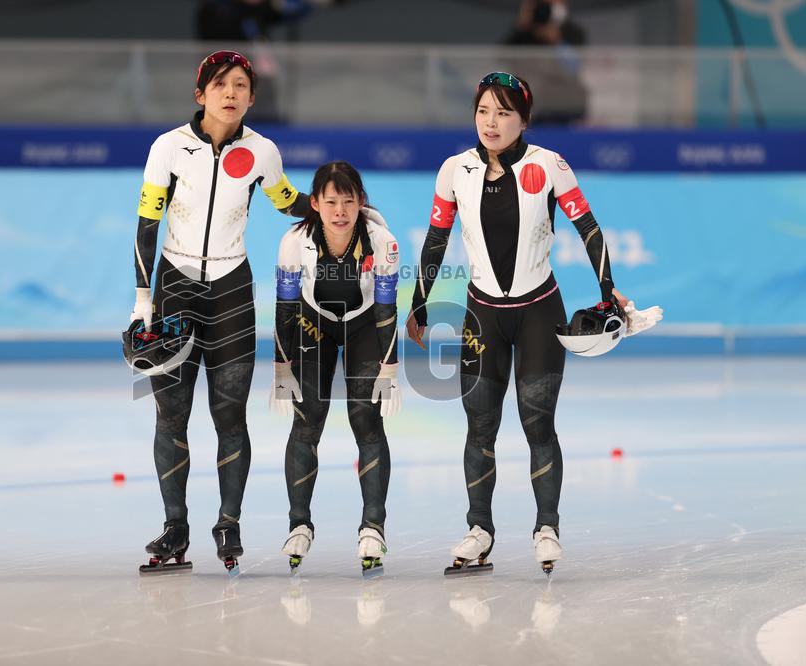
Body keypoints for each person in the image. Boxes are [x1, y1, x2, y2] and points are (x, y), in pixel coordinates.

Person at [407, 72, 659, 577]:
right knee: (480, 427)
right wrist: (419, 302)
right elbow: (437, 240)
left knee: (537, 424)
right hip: (482, 315)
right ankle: (479, 530)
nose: (491, 122)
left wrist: (609, 287)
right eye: (483, 111)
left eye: (503, 112)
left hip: (539, 312)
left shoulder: (548, 166)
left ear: (524, 119)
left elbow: (587, 227)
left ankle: (547, 527)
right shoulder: (453, 170)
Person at [129, 50, 310, 576]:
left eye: (240, 86)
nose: (230, 93)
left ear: (253, 98)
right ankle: (175, 526)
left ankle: (228, 522)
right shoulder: (168, 148)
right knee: (172, 415)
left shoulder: (262, 152)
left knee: (230, 417)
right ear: (199, 93)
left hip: (231, 290)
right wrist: (144, 302)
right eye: (220, 84)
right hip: (174, 290)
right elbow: (146, 227)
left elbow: (286, 201)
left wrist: (333, 201)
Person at [270, 161, 401, 577]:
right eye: (331, 202)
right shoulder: (294, 241)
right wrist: (281, 365)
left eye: (348, 202)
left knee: (367, 421)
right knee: (307, 423)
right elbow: (286, 307)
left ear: (361, 203)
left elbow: (386, 308)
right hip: (314, 325)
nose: (340, 211)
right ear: (315, 204)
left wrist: (390, 365)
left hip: (364, 325)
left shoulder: (382, 241)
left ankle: (373, 527)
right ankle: (299, 524)